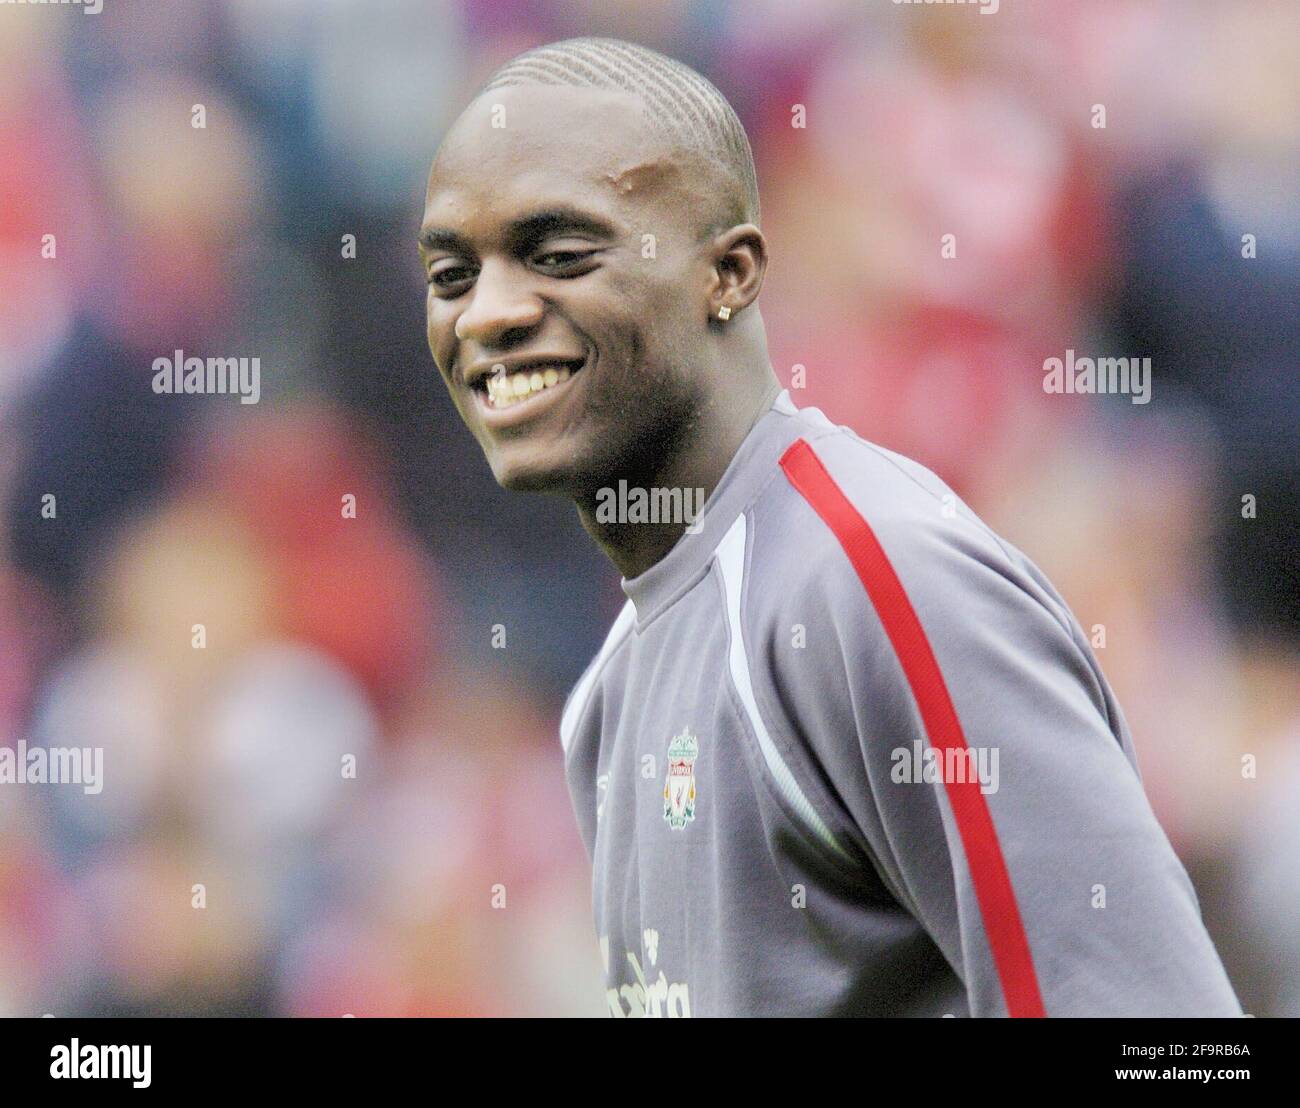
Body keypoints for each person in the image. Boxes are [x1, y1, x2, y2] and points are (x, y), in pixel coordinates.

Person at [418, 36, 1243, 1017]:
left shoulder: (874, 580)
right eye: (452, 272)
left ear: (728, 274)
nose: (489, 314)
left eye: (559, 254)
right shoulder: (614, 683)